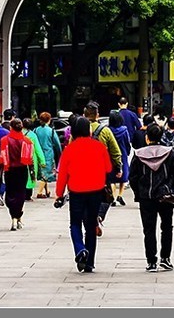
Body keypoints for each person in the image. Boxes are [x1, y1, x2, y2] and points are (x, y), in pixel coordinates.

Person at [55, 116, 113, 273]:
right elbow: (108, 168)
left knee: (75, 223)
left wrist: (59, 194)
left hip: (76, 191)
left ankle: (80, 249)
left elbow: (62, 175)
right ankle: (90, 263)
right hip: (96, 191)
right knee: (91, 225)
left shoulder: (69, 149)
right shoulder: (99, 147)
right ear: (89, 129)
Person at [130, 121, 174, 272]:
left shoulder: (139, 154)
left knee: (148, 229)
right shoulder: (170, 152)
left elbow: (133, 177)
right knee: (167, 227)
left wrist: (138, 192)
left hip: (146, 197)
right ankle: (165, 258)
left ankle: (151, 261)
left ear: (147, 138)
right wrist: (173, 188)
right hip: (165, 196)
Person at [84, 101, 123, 236]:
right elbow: (115, 151)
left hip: (82, 170)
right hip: (100, 170)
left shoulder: (78, 129)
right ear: (97, 115)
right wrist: (118, 167)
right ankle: (99, 216)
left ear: (84, 115)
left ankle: (89, 221)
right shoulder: (105, 130)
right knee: (106, 196)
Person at [0, 118, 36, 229]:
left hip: (10, 170)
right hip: (22, 170)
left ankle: (14, 217)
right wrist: (32, 173)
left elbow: (1, 158)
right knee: (20, 194)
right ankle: (17, 217)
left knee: (10, 193)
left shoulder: (4, 140)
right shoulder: (27, 141)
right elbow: (30, 160)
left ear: (11, 127)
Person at [32, 111, 62, 199]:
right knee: (46, 173)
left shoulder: (36, 130)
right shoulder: (51, 131)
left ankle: (46, 190)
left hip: (37, 154)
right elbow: (57, 144)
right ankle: (40, 192)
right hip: (48, 154)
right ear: (49, 120)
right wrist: (60, 154)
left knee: (42, 173)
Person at [108, 110, 132, 206]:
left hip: (111, 155)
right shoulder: (124, 130)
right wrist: (127, 151)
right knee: (123, 176)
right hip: (123, 153)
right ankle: (120, 195)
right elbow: (127, 142)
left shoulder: (108, 130)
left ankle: (113, 197)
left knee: (111, 177)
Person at [21, 118, 47, 201]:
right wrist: (42, 161)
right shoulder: (32, 135)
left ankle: (22, 193)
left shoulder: (18, 133)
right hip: (31, 159)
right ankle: (28, 195)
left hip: (20, 158)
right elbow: (38, 149)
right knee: (30, 176)